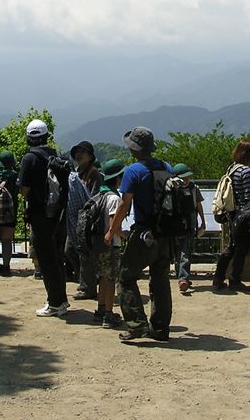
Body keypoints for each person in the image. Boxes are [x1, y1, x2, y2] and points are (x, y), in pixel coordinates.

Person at [105, 126, 173, 342]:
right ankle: (161, 329)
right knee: (160, 279)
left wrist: (111, 231)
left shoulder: (133, 171)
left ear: (134, 149)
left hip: (144, 233)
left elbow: (124, 206)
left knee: (125, 278)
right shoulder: (166, 167)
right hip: (166, 233)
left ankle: (136, 326)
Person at [18, 119, 70, 317]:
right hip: (59, 213)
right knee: (57, 258)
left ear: (29, 137)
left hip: (40, 214)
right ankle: (62, 299)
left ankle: (55, 303)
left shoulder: (29, 158)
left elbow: (23, 188)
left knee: (47, 260)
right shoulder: (55, 155)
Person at [213, 139, 250, 292]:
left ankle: (218, 277)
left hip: (231, 213)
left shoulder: (232, 168)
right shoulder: (245, 170)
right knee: (240, 247)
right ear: (246, 153)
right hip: (242, 214)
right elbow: (247, 196)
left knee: (232, 246)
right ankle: (234, 279)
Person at [65, 140, 103, 300]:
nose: (79, 155)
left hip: (86, 219)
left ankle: (87, 287)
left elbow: (94, 198)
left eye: (83, 152)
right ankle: (88, 279)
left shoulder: (94, 174)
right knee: (70, 250)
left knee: (84, 253)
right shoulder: (77, 173)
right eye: (77, 153)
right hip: (76, 219)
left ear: (90, 156)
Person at [94, 158, 126, 328]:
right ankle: (108, 314)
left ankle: (100, 310)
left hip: (99, 245)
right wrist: (125, 235)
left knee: (102, 278)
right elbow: (114, 225)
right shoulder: (113, 198)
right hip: (111, 245)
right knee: (110, 278)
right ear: (117, 178)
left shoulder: (100, 195)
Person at [172, 163, 205, 294]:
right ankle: (182, 277)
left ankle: (183, 278)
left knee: (184, 251)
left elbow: (198, 205)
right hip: (181, 224)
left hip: (186, 224)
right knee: (180, 252)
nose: (186, 180)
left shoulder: (192, 188)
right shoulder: (188, 188)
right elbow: (198, 205)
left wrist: (202, 221)